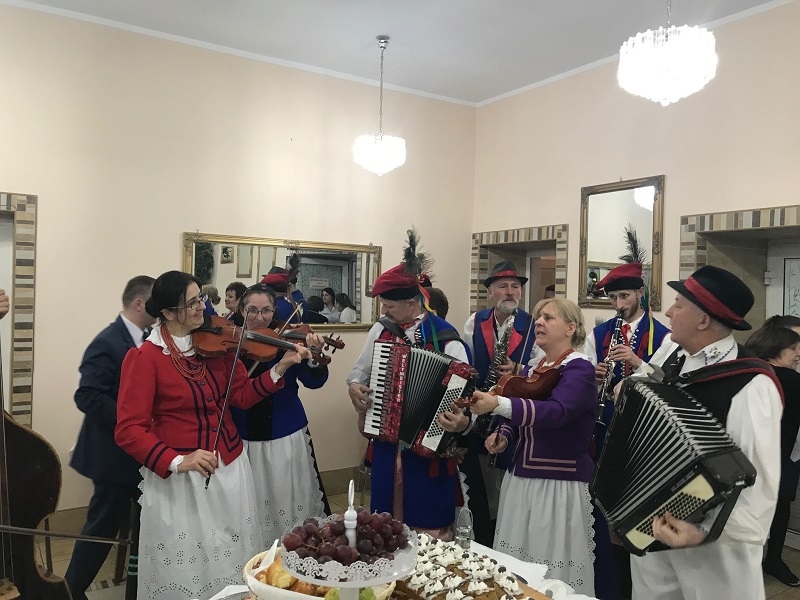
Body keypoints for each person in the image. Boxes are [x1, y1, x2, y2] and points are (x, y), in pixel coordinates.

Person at [115, 270, 312, 600]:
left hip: (231, 470)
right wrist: (177, 460)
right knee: (190, 567)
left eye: (201, 299)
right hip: (181, 483)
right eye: (192, 303)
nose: (203, 308)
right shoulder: (145, 358)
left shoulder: (215, 348)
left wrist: (281, 367)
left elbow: (241, 396)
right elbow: (128, 430)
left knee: (234, 560)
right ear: (168, 312)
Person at [628, 265, 782, 600]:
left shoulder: (751, 384)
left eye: (678, 304)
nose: (669, 312)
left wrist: (705, 532)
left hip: (715, 547)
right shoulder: (671, 354)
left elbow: (759, 483)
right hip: (652, 524)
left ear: (702, 320)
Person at [470, 298, 599, 596]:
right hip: (522, 478)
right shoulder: (536, 367)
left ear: (570, 328)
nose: (538, 322)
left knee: (550, 562)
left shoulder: (579, 369)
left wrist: (498, 404)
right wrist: (504, 434)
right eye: (538, 317)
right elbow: (521, 416)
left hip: (556, 482)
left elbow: (557, 412)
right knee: (517, 560)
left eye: (548, 318)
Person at [347, 249, 472, 538]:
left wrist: (462, 422)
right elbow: (358, 373)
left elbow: (469, 402)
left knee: (428, 528)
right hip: (386, 446)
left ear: (412, 303)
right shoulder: (381, 330)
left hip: (430, 450)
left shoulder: (448, 339)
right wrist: (354, 388)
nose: (384, 312)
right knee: (383, 525)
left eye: (389, 306)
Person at [65, 276, 155, 600]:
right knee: (100, 530)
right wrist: (131, 417)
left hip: (140, 454)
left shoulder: (150, 338)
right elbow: (87, 395)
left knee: (144, 531)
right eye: (156, 301)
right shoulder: (108, 341)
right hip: (112, 456)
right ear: (140, 303)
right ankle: (70, 591)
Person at [583, 261, 670, 600]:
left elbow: (669, 383)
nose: (618, 304)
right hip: (607, 423)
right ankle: (611, 573)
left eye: (624, 296)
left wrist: (636, 362)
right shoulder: (600, 334)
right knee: (607, 498)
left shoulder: (663, 335)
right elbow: (583, 377)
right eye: (613, 298)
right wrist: (595, 376)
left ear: (640, 293)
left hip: (645, 429)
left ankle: (640, 574)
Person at [230, 284, 331, 545]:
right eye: (252, 310)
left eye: (266, 310)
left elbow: (314, 381)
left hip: (285, 435)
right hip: (243, 437)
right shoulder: (230, 343)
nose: (259, 317)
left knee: (288, 499)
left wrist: (314, 355)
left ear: (274, 311)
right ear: (241, 310)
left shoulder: (288, 342)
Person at [461, 261, 536, 546]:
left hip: (514, 411)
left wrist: (520, 368)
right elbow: (466, 363)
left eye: (515, 286)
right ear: (490, 292)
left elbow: (545, 367)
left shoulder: (533, 324)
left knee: (507, 478)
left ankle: (509, 536)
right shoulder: (474, 321)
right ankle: (484, 533)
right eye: (503, 286)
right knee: (479, 478)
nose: (510, 291)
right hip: (480, 407)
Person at [746, 321, 800, 586]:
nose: (798, 353)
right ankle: (773, 560)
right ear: (777, 347)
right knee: (776, 509)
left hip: (750, 458)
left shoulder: (748, 371)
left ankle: (754, 564)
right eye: (794, 347)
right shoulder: (790, 380)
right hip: (779, 458)